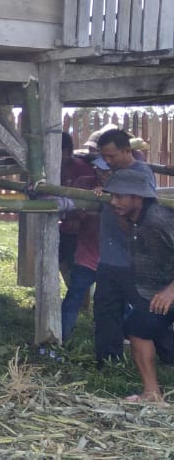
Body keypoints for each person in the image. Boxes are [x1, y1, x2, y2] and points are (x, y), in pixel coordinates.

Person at [104, 169, 174, 403]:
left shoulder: (158, 220)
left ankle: (152, 393)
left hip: (168, 289)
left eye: (120, 197)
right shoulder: (138, 217)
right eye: (112, 196)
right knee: (140, 327)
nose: (113, 202)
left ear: (138, 198)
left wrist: (170, 290)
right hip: (156, 290)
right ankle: (152, 393)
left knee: (139, 327)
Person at [94, 128, 159, 366]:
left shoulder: (140, 173)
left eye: (112, 156)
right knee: (105, 310)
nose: (107, 161)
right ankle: (108, 360)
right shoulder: (113, 174)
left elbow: (143, 217)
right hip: (109, 257)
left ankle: (166, 357)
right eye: (105, 157)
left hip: (134, 259)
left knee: (150, 312)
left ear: (127, 151)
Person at [60, 133, 101, 341]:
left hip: (112, 258)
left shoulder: (122, 188)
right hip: (86, 253)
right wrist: (81, 211)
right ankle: (59, 339)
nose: (103, 172)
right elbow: (71, 210)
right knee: (73, 298)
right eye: (100, 167)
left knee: (117, 304)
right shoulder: (84, 183)